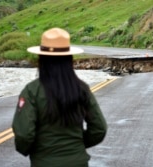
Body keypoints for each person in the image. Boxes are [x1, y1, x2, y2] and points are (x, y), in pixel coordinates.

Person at [12, 27, 107, 167]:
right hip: (78, 161)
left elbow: (24, 134)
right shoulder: (82, 89)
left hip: (44, 162)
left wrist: (32, 150)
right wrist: (78, 144)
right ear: (69, 59)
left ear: (41, 59)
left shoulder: (32, 91)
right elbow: (99, 128)